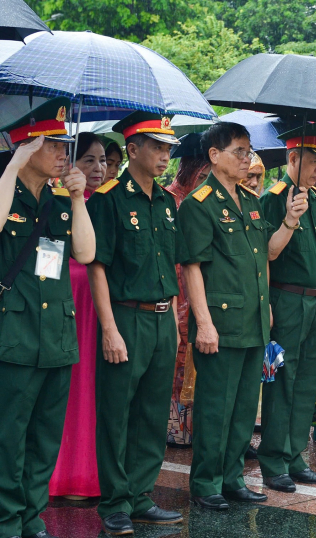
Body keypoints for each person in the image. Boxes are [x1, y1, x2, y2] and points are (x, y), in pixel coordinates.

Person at [0, 98, 95, 538]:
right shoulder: (6, 189)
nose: (64, 154)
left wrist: (78, 198)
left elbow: (85, 252)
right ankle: (5, 518)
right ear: (27, 144)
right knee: (8, 438)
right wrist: (13, 165)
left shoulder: (58, 199)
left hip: (57, 334)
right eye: (54, 145)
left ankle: (31, 516)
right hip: (15, 334)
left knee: (44, 437)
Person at [86, 112, 184, 535]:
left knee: (151, 412)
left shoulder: (166, 202)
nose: (165, 156)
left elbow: (170, 265)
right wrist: (109, 328)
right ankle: (114, 501)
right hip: (126, 316)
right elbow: (97, 267)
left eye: (168, 148)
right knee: (116, 412)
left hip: (163, 319)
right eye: (157, 147)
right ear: (132, 150)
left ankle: (141, 495)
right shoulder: (109, 199)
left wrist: (176, 324)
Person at [178, 122, 272, 509]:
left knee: (244, 408)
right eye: (240, 151)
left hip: (253, 321)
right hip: (221, 322)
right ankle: (206, 483)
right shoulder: (200, 204)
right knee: (216, 406)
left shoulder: (250, 201)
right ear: (215, 155)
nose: (247, 159)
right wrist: (203, 323)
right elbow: (192, 266)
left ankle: (233, 477)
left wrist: (289, 221)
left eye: (249, 152)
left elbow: (262, 257)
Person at [258, 123, 316, 492]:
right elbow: (268, 253)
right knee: (280, 381)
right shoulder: (273, 198)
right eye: (313, 159)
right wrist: (290, 219)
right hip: (284, 301)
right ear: (292, 157)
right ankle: (273, 461)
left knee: (305, 383)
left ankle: (294, 456)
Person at [50, 133, 106, 499]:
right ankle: (60, 474)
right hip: (67, 297)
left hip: (99, 300)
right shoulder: (54, 199)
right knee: (66, 387)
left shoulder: (107, 201)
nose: (98, 168)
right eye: (88, 160)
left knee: (94, 384)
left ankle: (90, 472)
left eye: (103, 160)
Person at [165, 146, 210, 448]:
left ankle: (189, 427)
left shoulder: (202, 203)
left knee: (192, 357)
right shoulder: (168, 199)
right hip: (173, 288)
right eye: (201, 175)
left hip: (194, 289)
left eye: (208, 176)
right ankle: (173, 427)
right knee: (175, 358)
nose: (204, 181)